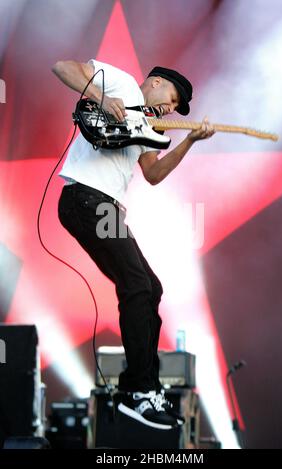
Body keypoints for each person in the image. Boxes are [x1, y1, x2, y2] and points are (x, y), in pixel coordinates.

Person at [52, 59, 215, 430]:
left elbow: (153, 174)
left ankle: (139, 387)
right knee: (137, 286)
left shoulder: (144, 126)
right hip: (86, 198)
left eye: (176, 109)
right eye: (172, 99)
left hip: (107, 209)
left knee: (150, 287)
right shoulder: (122, 84)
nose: (170, 110)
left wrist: (189, 140)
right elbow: (62, 66)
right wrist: (98, 96)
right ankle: (139, 392)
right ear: (155, 83)